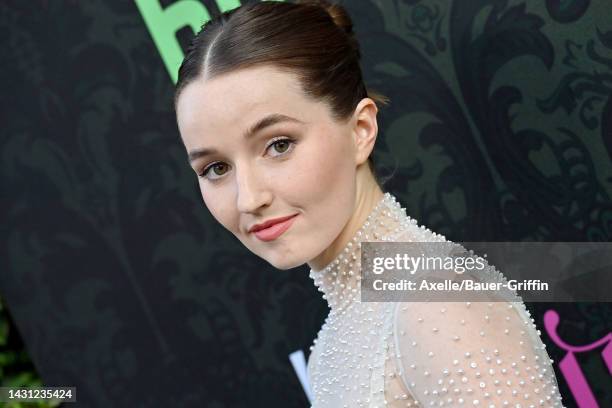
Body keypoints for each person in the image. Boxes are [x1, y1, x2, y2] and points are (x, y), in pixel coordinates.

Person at [173, 1, 566, 406]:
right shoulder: (333, 342)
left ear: (361, 130)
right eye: (216, 168)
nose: (249, 198)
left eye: (279, 145)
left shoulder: (437, 301)